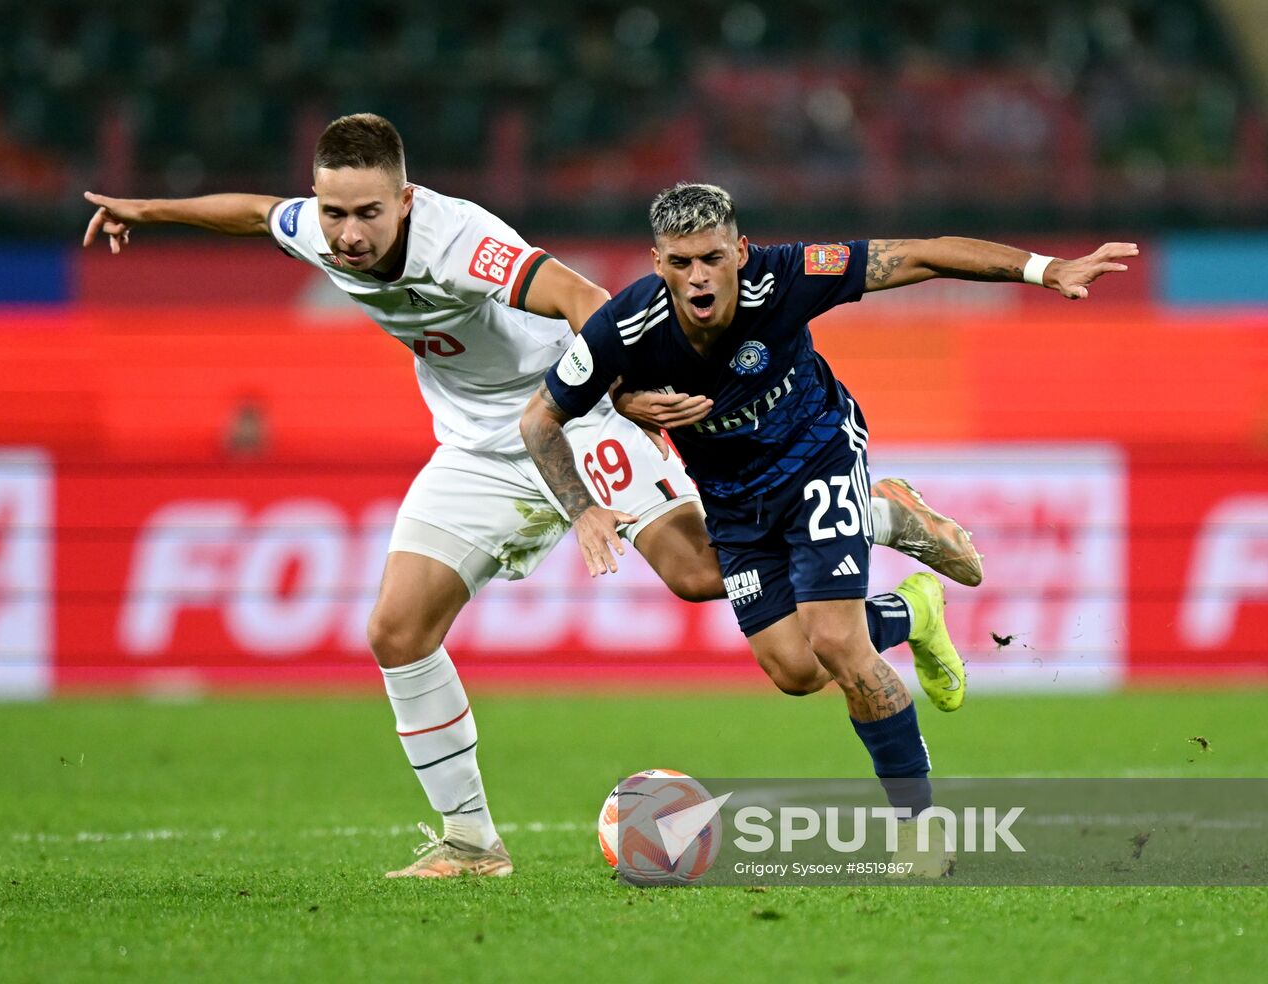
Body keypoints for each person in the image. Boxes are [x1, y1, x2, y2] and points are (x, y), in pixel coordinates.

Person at [83, 115, 980, 879]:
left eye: (365, 211)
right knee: (395, 631)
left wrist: (621, 394)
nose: (347, 233)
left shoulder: (461, 241)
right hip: (474, 445)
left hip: (575, 411)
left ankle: (879, 511)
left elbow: (585, 295)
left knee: (701, 575)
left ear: (405, 199)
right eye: (333, 211)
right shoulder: (321, 227)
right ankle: (471, 843)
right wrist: (144, 209)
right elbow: (248, 212)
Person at [522, 182, 1136, 876]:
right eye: (682, 262)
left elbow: (919, 258)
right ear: (658, 264)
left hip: (818, 452)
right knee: (794, 668)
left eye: (714, 258)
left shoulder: (784, 277)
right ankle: (909, 602)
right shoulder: (625, 325)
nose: (700, 277)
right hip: (733, 500)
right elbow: (540, 419)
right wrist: (587, 496)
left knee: (838, 643)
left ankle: (921, 829)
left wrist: (1042, 270)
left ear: (740, 252)